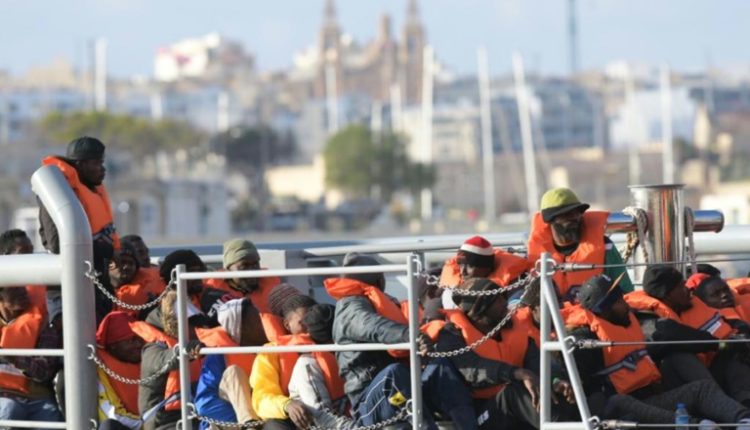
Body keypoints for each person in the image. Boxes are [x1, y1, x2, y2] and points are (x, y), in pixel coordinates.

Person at [567, 274, 750, 427]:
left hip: (652, 396)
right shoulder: (585, 339)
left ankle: (744, 420)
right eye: (618, 301)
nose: (626, 305)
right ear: (603, 310)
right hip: (623, 410)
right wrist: (559, 381)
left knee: (699, 384)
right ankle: (697, 425)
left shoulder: (629, 321)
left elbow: (671, 335)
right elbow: (570, 373)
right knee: (619, 401)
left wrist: (724, 343)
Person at [327, 253, 477, 430]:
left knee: (440, 367)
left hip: (402, 390)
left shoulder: (379, 302)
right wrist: (412, 336)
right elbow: (374, 327)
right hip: (371, 402)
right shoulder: (349, 308)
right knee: (394, 374)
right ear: (379, 280)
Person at [423, 277, 575, 429]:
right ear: (479, 311)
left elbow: (535, 362)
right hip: (481, 414)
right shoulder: (452, 335)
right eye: (497, 300)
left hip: (514, 410)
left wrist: (554, 381)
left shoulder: (514, 327)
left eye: (503, 297)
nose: (504, 303)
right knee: (513, 394)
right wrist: (518, 373)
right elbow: (472, 370)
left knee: (558, 393)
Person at [624, 265, 750, 405]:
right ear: (667, 294)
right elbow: (671, 334)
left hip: (710, 369)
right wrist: (721, 344)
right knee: (678, 354)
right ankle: (727, 407)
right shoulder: (646, 318)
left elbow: (726, 320)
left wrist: (741, 331)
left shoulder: (688, 304)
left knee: (735, 351)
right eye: (681, 286)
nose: (687, 289)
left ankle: (745, 403)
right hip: (674, 387)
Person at [39, 136, 120, 323]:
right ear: (80, 164)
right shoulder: (59, 192)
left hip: (96, 283)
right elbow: (57, 243)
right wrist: (108, 250)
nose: (103, 168)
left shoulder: (90, 190)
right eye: (97, 163)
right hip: (68, 290)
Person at [251, 296, 346, 430]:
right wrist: (287, 405)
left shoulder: (331, 343)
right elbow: (261, 398)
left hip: (336, 410)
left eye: (312, 321)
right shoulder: (270, 352)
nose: (310, 327)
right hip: (292, 416)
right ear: (287, 324)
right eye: (303, 322)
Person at [526, 187, 633, 302]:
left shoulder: (605, 247)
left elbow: (626, 292)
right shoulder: (534, 256)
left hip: (594, 313)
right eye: (566, 215)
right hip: (551, 313)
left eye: (577, 213)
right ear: (550, 219)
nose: (574, 218)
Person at [195, 298, 285, 430]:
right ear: (243, 328)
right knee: (234, 372)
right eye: (256, 321)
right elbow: (205, 404)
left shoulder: (273, 349)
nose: (263, 324)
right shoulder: (219, 356)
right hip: (228, 423)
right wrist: (243, 421)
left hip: (267, 417)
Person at [132, 290, 204, 430]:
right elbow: (162, 360)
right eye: (190, 323)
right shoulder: (152, 349)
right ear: (176, 325)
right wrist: (185, 351)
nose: (195, 328)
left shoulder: (198, 342)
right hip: (161, 420)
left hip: (192, 411)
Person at [0, 286, 63, 425]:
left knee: (51, 418)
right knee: (9, 409)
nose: (23, 292)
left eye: (23, 288)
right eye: (14, 289)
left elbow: (44, 372)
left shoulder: (43, 325)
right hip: (4, 396)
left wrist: (12, 357)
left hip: (37, 397)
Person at [95, 311, 145, 430]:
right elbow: (113, 414)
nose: (139, 345)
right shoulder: (101, 368)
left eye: (140, 339)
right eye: (131, 340)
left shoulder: (152, 358)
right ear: (113, 346)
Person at [206, 239, 280, 313]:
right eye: (244, 266)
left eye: (255, 264)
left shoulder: (271, 283)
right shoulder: (214, 289)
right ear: (228, 269)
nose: (252, 271)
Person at [159, 249, 228, 325]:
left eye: (199, 271)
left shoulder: (212, 294)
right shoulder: (167, 305)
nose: (197, 276)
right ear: (173, 277)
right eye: (191, 272)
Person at [440, 235, 530, 292]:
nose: (463, 272)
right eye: (461, 264)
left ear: (486, 268)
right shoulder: (448, 290)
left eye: (470, 266)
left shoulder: (514, 288)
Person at [109, 242, 165, 318]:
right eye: (122, 262)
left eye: (131, 263)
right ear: (110, 264)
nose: (127, 267)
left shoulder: (148, 295)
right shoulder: (95, 291)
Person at [0, 229, 46, 313]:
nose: (30, 256)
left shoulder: (45, 281)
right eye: (24, 252)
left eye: (31, 250)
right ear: (6, 256)